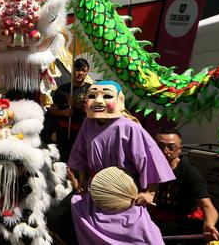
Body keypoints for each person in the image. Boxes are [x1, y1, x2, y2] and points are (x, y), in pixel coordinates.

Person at [68, 80, 175, 244]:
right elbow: (81, 152)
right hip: (94, 193)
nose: (98, 101)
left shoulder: (130, 127)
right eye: (92, 95)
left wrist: (150, 193)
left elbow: (151, 160)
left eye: (107, 96)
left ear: (120, 100)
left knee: (146, 236)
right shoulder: (87, 123)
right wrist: (82, 179)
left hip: (123, 195)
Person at [149, 127, 219, 243]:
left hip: (182, 223)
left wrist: (209, 224)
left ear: (180, 149)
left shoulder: (189, 173)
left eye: (171, 147)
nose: (165, 151)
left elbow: (207, 206)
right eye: (160, 146)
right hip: (153, 220)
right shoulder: (145, 167)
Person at [46, 58, 91, 160]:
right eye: (77, 70)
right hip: (63, 132)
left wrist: (76, 104)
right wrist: (63, 112)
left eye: (84, 71)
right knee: (62, 160)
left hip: (82, 134)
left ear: (87, 72)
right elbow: (53, 109)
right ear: (72, 70)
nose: (80, 73)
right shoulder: (62, 89)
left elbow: (93, 112)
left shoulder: (91, 90)